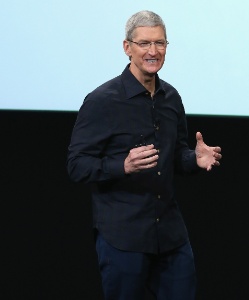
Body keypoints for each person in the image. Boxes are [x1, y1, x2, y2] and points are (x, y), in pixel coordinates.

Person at [67, 10, 222, 300]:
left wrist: (194, 159)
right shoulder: (102, 101)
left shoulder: (171, 97)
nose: (153, 51)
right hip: (123, 237)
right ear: (127, 48)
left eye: (160, 43)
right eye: (144, 44)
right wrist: (122, 165)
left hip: (171, 236)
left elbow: (176, 156)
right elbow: (76, 166)